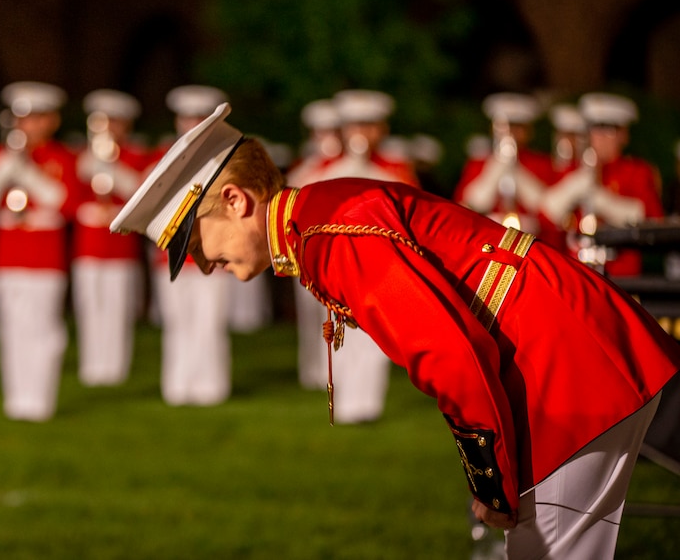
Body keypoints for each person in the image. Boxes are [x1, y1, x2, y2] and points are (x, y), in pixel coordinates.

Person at [110, 102, 680, 558]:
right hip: (560, 347)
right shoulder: (316, 220)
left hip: (561, 362)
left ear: (235, 200)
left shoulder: (329, 233)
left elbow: (448, 352)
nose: (204, 265)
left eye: (195, 243)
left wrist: (493, 484)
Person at [290, 88, 416, 422]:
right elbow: (295, 197)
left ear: (382, 130)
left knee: (373, 336)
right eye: (354, 126)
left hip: (380, 264)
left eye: (369, 125)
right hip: (337, 264)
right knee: (340, 335)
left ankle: (366, 405)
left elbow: (412, 204)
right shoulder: (325, 166)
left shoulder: (396, 166)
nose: (361, 133)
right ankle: (344, 403)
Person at [0, 81, 80, 421]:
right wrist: (5, 167)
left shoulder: (62, 157)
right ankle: (17, 399)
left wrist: (28, 174)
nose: (26, 126)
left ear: (51, 121)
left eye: (35, 119)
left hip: (45, 257)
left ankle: (40, 400)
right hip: (7, 256)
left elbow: (68, 204)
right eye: (22, 119)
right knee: (11, 328)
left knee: (44, 330)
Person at [150, 84, 236, 406]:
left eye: (199, 118)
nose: (192, 125)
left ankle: (210, 388)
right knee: (177, 323)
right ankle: (178, 387)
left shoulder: (230, 159)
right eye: (187, 118)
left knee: (209, 323)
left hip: (212, 255)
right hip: (172, 256)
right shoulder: (162, 159)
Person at [71, 89, 150, 386]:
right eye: (102, 122)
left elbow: (140, 193)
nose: (108, 128)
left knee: (118, 308)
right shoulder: (81, 156)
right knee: (89, 306)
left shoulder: (134, 156)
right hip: (88, 247)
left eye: (115, 122)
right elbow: (70, 199)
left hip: (120, 247)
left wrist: (110, 167)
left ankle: (115, 368)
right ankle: (92, 367)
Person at [540, 92, 664, 276]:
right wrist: (578, 183)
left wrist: (600, 199)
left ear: (624, 135)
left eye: (608, 129)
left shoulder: (637, 171)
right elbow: (547, 213)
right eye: (594, 128)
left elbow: (651, 220)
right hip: (577, 270)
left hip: (621, 273)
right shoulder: (573, 169)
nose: (599, 137)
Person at [286, 99, 340, 390]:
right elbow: (290, 191)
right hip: (307, 253)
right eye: (319, 132)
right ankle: (311, 372)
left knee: (334, 320)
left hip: (335, 253)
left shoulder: (347, 164)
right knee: (309, 317)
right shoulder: (305, 165)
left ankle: (332, 372)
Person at [453, 92, 554, 240]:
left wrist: (515, 169)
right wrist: (498, 165)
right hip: (488, 237)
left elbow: (547, 209)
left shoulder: (541, 162)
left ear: (529, 131)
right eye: (504, 126)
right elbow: (468, 205)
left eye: (517, 127)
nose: (511, 132)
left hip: (532, 239)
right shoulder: (479, 162)